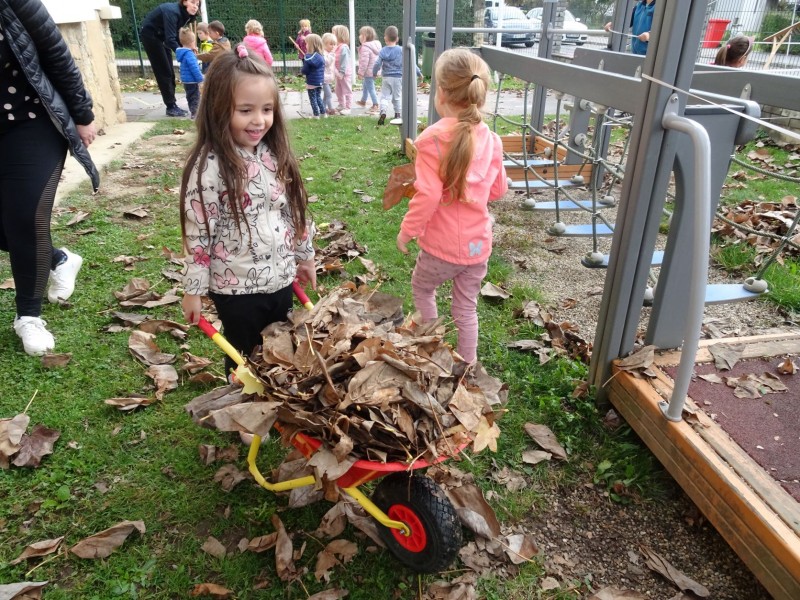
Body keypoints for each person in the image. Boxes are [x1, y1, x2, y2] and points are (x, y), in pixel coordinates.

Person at [180, 45, 316, 377]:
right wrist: (193, 290)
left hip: (281, 278)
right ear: (218, 108)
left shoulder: (273, 153)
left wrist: (305, 256)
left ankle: (275, 395)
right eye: (245, 110)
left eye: (267, 109)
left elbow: (294, 211)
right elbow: (199, 233)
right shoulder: (209, 166)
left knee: (279, 348)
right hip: (236, 287)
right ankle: (242, 399)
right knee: (244, 355)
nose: (259, 120)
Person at [396, 49, 508, 364]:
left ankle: (431, 349)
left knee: (423, 289)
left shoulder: (431, 140)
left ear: (442, 93)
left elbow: (429, 194)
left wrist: (407, 231)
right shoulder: (493, 140)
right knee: (466, 308)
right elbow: (498, 190)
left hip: (439, 249)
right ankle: (468, 365)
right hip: (477, 248)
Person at [0, 0, 98, 356]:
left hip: (31, 121)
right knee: (12, 226)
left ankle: (28, 316)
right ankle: (58, 259)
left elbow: (55, 53)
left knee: (27, 218)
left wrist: (82, 115)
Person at [140, 0, 200, 117]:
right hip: (151, 36)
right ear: (184, 2)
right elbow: (170, 39)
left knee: (170, 72)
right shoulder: (173, 12)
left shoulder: (184, 15)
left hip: (162, 36)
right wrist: (185, 53)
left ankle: (172, 104)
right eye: (192, 2)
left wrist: (188, 47)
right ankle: (171, 107)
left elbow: (174, 36)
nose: (195, 7)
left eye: (197, 4)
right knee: (164, 71)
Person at [175, 27, 203, 119]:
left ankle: (193, 111)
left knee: (190, 96)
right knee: (195, 97)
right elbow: (194, 68)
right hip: (192, 80)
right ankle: (195, 113)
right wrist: (200, 79)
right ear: (192, 42)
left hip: (186, 80)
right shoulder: (189, 54)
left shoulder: (183, 52)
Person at [355, 26, 381, 114]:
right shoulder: (376, 45)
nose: (359, 36)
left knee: (371, 88)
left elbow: (364, 62)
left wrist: (360, 73)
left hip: (368, 71)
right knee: (365, 85)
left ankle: (376, 104)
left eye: (360, 34)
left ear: (365, 36)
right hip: (374, 70)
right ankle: (363, 100)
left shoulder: (365, 47)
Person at [301, 34, 326, 118]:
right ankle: (323, 113)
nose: (306, 45)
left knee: (312, 99)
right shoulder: (321, 56)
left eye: (307, 43)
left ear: (311, 44)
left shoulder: (308, 58)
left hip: (311, 82)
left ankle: (316, 115)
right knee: (318, 97)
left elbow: (305, 70)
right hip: (320, 81)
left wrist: (302, 71)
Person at [331, 25, 353, 115]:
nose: (331, 35)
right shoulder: (336, 46)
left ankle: (348, 107)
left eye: (333, 33)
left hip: (344, 73)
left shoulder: (344, 47)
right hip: (338, 73)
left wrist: (342, 72)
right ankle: (341, 104)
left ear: (340, 35)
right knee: (338, 90)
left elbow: (345, 61)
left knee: (347, 90)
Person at [321, 32, 338, 116]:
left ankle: (323, 109)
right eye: (331, 44)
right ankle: (331, 109)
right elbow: (327, 62)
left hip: (329, 78)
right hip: (324, 78)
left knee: (326, 96)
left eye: (334, 44)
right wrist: (332, 54)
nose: (333, 46)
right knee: (329, 95)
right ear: (324, 44)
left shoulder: (330, 53)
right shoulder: (323, 53)